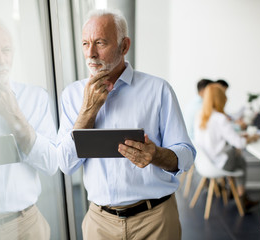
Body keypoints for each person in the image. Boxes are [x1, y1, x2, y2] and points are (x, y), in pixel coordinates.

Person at [56, 9, 195, 240]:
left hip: (156, 221)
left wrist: (156, 155)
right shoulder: (71, 95)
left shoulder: (158, 90)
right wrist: (88, 111)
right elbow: (66, 164)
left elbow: (187, 154)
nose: (90, 53)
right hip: (99, 223)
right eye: (85, 43)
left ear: (124, 46)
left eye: (100, 42)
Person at [0, 20, 58, 239]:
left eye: (6, 50)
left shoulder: (36, 98)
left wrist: (15, 116)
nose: (0, 60)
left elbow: (51, 164)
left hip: (27, 225)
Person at [194, 83, 259, 210]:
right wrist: (251, 138)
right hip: (219, 163)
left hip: (205, 162)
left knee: (235, 154)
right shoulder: (220, 118)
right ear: (221, 99)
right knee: (240, 159)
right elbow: (239, 143)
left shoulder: (200, 116)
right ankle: (241, 195)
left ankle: (235, 192)